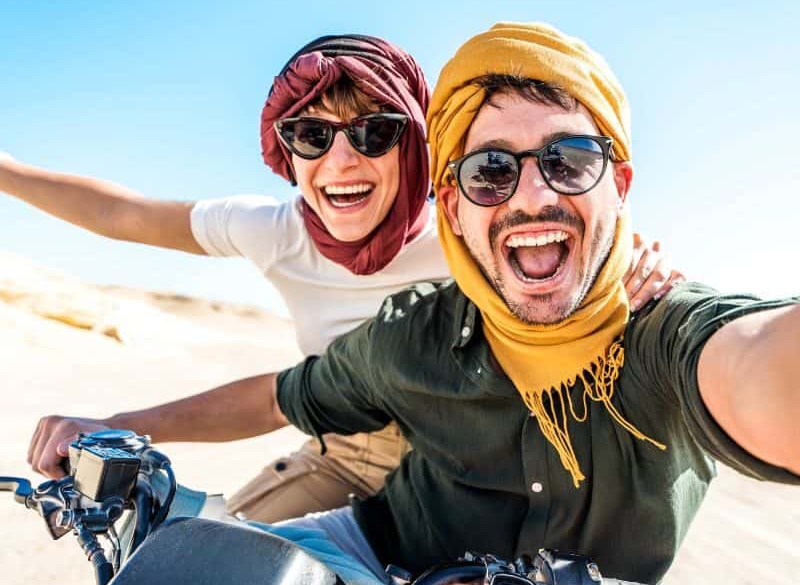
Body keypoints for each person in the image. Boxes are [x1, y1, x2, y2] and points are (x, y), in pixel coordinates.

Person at [15, 34, 679, 526]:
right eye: (310, 134)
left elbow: (574, 236)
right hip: (342, 451)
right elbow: (120, 213)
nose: (340, 159)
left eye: (375, 131)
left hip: (481, 470)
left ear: (416, 146)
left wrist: (629, 256)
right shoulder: (271, 231)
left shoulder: (470, 231)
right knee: (198, 576)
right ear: (287, 153)